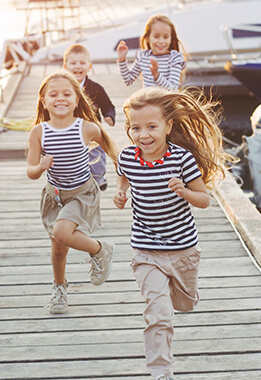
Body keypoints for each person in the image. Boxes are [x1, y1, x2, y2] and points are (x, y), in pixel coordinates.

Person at [113, 87, 235, 380]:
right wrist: (120, 193)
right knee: (158, 314)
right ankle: (161, 372)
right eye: (135, 128)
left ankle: (181, 294)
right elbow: (122, 176)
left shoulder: (182, 159)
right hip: (146, 251)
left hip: (183, 250)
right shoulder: (128, 157)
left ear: (168, 126)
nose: (143, 135)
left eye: (151, 127)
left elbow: (204, 199)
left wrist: (184, 191)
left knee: (184, 303)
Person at [27, 70, 119, 314]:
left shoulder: (86, 128)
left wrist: (124, 173)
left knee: (61, 232)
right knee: (58, 249)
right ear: (43, 102)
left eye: (67, 93)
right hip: (54, 196)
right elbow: (31, 171)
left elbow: (110, 147)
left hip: (81, 193)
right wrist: (40, 166)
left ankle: (99, 249)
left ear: (77, 100)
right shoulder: (38, 132)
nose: (60, 98)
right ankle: (59, 290)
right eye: (53, 94)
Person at [63, 43, 116, 191]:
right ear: (65, 66)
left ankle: (98, 177)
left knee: (96, 148)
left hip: (92, 127)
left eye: (82, 63)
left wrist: (109, 116)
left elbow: (108, 106)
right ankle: (71, 176)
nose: (78, 66)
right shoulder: (62, 88)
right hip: (69, 128)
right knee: (69, 152)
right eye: (73, 63)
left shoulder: (96, 88)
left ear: (89, 66)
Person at [116, 14, 186, 91]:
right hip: (147, 100)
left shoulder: (174, 58)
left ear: (171, 39)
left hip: (165, 102)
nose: (161, 41)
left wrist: (157, 76)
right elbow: (128, 81)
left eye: (166, 37)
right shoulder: (143, 56)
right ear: (147, 38)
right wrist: (122, 59)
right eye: (156, 36)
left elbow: (173, 89)